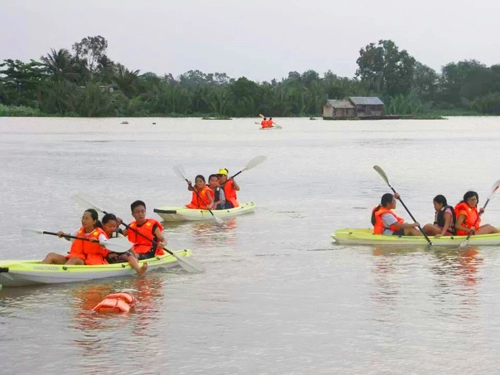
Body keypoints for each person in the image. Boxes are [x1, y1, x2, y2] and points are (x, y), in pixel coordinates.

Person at [42, 209, 109, 265]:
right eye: (83, 218)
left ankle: (61, 274)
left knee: (73, 260)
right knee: (51, 255)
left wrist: (98, 242)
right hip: (74, 258)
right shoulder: (79, 231)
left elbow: (107, 244)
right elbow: (70, 237)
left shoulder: (99, 234)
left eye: (86, 219)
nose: (83, 221)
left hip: (89, 262)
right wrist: (63, 234)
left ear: (94, 221)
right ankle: (41, 270)